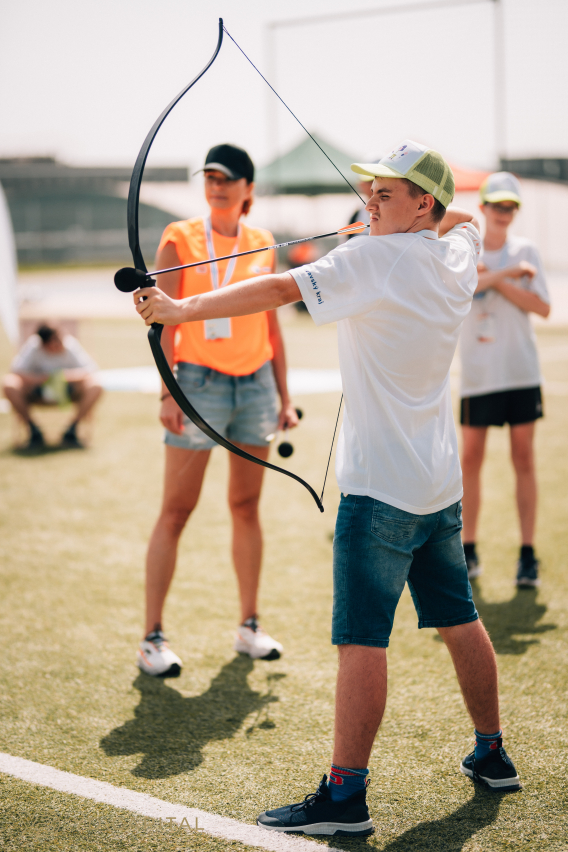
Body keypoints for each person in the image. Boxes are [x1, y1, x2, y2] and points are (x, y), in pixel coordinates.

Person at [134, 140, 522, 837]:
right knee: (459, 619)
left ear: (422, 203)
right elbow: (462, 222)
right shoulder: (456, 256)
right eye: (369, 190)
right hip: (438, 489)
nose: (369, 200)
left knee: (362, 641)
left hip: (378, 494)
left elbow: (279, 289)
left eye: (386, 193)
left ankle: (345, 797)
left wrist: (177, 311)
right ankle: (493, 753)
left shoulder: (370, 259)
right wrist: (398, 221)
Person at [136, 143, 298, 679]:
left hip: (256, 386)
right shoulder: (179, 237)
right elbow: (162, 320)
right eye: (209, 177)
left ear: (248, 187)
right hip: (197, 386)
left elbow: (271, 320)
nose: (217, 186)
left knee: (246, 506)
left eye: (227, 178)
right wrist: (168, 392)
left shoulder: (263, 240)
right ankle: (152, 637)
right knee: (176, 511)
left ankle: (249, 626)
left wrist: (284, 396)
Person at [459, 172, 550, 587]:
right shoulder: (466, 248)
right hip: (478, 375)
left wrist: (497, 278)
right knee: (470, 460)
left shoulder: (526, 249)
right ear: (483, 207)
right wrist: (509, 274)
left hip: (520, 372)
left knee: (523, 458)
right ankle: (468, 549)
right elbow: (464, 289)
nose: (504, 212)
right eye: (497, 205)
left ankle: (527, 554)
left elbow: (542, 307)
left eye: (511, 206)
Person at [2, 323, 102, 449]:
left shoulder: (69, 344)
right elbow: (16, 371)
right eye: (54, 344)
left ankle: (72, 429)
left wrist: (62, 376)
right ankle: (33, 430)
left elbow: (90, 370)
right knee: (9, 383)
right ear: (43, 344)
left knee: (96, 385)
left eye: (59, 341)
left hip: (68, 390)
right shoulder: (33, 346)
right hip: (37, 390)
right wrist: (42, 378)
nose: (59, 346)